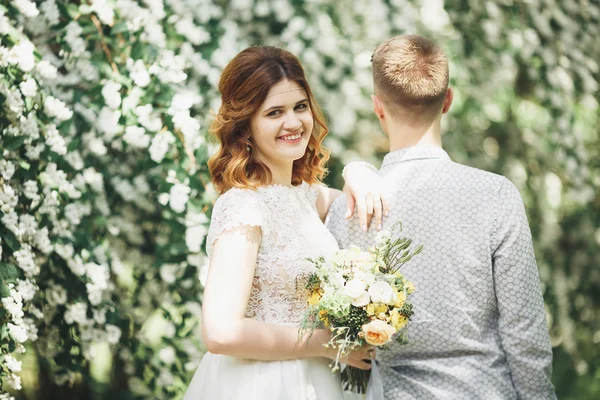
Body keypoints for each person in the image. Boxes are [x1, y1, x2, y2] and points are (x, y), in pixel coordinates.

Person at [326, 35, 556, 399]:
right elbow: (524, 334)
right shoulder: (495, 195)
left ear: (378, 107)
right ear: (448, 100)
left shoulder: (347, 211)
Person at [183, 46, 384, 399]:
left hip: (317, 382)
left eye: (300, 107)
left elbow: (346, 200)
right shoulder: (243, 207)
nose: (293, 123)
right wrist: (326, 342)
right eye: (274, 112)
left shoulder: (307, 198)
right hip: (260, 385)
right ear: (246, 125)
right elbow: (220, 332)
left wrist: (359, 171)